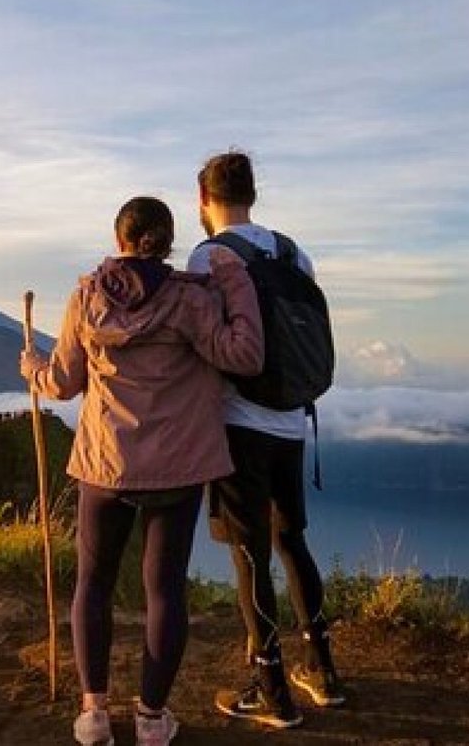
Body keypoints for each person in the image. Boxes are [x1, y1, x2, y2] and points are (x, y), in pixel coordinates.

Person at [21, 196, 264, 746]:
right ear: (169, 240)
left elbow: (63, 383)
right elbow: (244, 356)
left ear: (119, 239)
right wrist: (236, 281)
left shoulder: (88, 297)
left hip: (106, 467)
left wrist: (33, 369)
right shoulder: (191, 300)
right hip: (177, 472)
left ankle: (94, 714)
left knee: (94, 584)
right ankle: (153, 718)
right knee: (164, 592)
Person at [186, 150, 346, 729]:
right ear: (253, 193)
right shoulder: (293, 251)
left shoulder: (209, 255)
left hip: (240, 423)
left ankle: (271, 686)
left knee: (248, 554)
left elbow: (203, 337)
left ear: (204, 200)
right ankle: (322, 671)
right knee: (291, 541)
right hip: (292, 418)